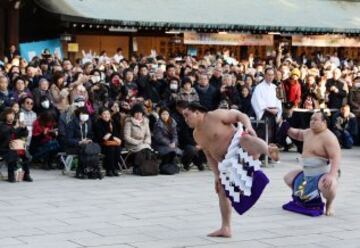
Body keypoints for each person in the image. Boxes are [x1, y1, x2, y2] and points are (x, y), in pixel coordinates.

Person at [183, 102, 272, 238]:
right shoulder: (196, 134)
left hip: (243, 149)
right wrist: (217, 176)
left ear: (197, 112)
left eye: (187, 115)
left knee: (245, 138)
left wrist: (248, 126)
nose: (185, 119)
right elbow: (209, 155)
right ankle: (226, 228)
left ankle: (269, 150)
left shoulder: (215, 115)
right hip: (228, 164)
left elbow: (239, 115)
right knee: (222, 191)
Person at [281, 111, 340, 216]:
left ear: (324, 122)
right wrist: (288, 129)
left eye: (315, 120)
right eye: (311, 119)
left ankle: (329, 204)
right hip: (307, 173)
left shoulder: (329, 137)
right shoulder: (308, 132)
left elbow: (335, 157)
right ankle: (302, 197)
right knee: (288, 178)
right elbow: (298, 134)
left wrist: (332, 175)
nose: (312, 122)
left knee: (330, 185)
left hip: (322, 174)